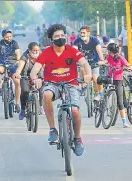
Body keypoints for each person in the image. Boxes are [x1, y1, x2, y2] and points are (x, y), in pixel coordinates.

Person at [30, 24, 92, 156]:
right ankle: (53, 129)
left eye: (62, 35)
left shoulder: (72, 50)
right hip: (52, 83)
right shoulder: (46, 52)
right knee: (46, 95)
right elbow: (34, 70)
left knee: (74, 110)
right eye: (57, 36)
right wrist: (36, 79)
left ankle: (77, 138)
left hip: (71, 83)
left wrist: (88, 74)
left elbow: (84, 63)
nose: (60, 38)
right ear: (51, 39)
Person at [98, 43, 132, 128]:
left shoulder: (121, 58)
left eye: (108, 50)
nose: (107, 52)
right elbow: (105, 61)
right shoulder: (109, 57)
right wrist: (100, 62)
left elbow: (129, 65)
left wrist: (129, 68)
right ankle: (100, 95)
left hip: (118, 80)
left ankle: (124, 122)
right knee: (99, 79)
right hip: (110, 78)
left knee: (120, 102)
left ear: (110, 51)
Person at [0, 29, 21, 112]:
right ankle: (0, 87)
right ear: (3, 37)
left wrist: (18, 61)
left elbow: (18, 53)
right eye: (7, 37)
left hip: (13, 65)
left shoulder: (14, 43)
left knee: (17, 82)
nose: (9, 38)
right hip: (2, 65)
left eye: (10, 36)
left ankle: (17, 104)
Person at [12, 42, 44, 120]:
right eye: (34, 50)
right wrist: (17, 74)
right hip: (25, 75)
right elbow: (20, 68)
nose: (36, 52)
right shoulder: (24, 57)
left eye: (37, 50)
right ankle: (23, 110)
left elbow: (46, 67)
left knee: (42, 90)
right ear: (29, 51)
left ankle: (40, 106)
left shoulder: (41, 55)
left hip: (38, 75)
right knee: (24, 91)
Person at [73, 25, 104, 101]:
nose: (82, 34)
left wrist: (102, 60)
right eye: (81, 33)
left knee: (96, 78)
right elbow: (74, 50)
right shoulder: (78, 41)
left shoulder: (94, 41)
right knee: (82, 69)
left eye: (84, 33)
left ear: (88, 33)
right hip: (84, 63)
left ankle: (100, 94)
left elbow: (99, 51)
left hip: (94, 63)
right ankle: (84, 85)